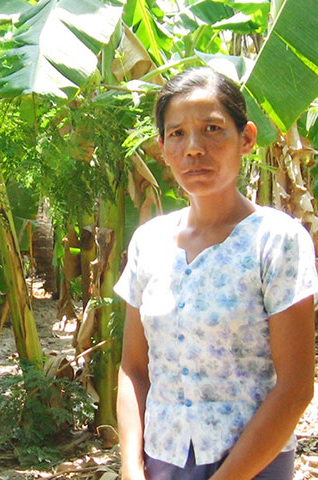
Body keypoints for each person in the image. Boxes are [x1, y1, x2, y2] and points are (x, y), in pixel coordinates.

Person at [114, 66, 318, 480]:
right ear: (162, 147)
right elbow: (133, 369)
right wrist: (131, 468)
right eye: (177, 134)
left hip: (252, 464)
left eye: (212, 129)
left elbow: (296, 385)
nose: (193, 148)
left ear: (245, 139)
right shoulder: (148, 242)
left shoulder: (276, 240)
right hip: (161, 461)